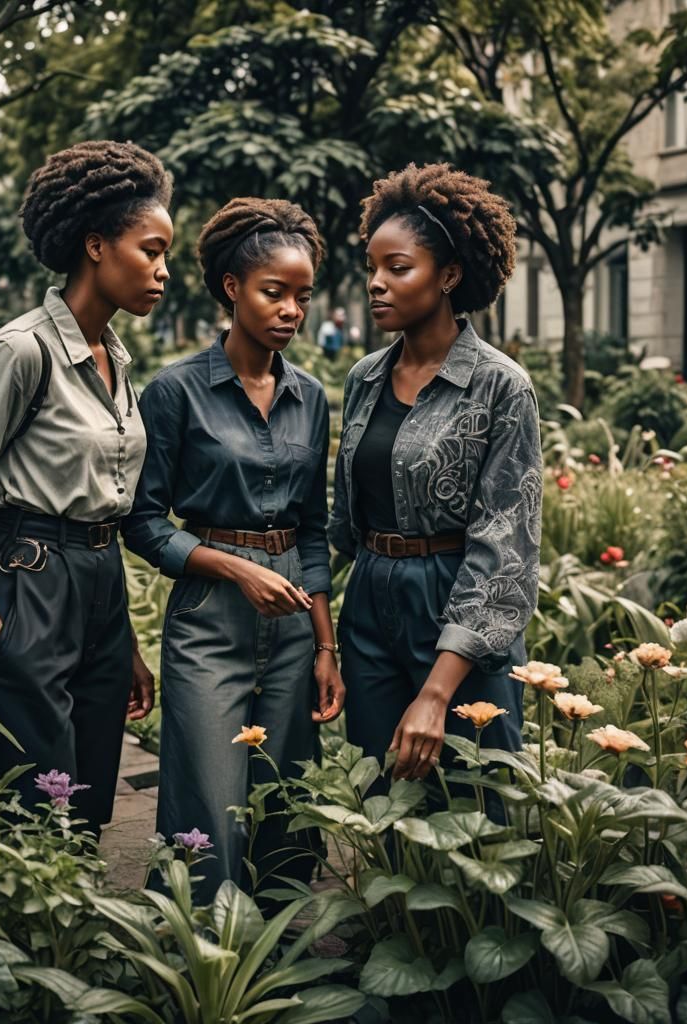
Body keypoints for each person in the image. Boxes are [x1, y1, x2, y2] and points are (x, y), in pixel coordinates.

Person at [0, 141, 172, 825]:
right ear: (95, 245)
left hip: (99, 588)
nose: (163, 271)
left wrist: (124, 641)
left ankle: (81, 931)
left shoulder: (116, 359)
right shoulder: (21, 351)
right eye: (151, 250)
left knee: (86, 809)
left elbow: (101, 506)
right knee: (34, 808)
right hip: (25, 581)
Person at [124, 197, 345, 899]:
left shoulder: (310, 396)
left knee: (285, 808)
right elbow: (142, 521)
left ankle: (277, 969)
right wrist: (231, 567)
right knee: (206, 811)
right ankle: (202, 964)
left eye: (302, 297)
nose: (290, 311)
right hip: (208, 615)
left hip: (291, 624)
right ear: (232, 289)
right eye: (273, 292)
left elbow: (314, 527)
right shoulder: (174, 392)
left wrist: (324, 647)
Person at [330, 163, 542, 785]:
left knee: (477, 804)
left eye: (398, 269)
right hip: (369, 605)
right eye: (372, 268)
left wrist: (436, 691)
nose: (377, 284)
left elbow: (507, 550)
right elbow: (344, 522)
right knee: (381, 799)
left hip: (459, 609)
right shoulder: (364, 378)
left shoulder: (501, 386)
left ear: (449, 275)